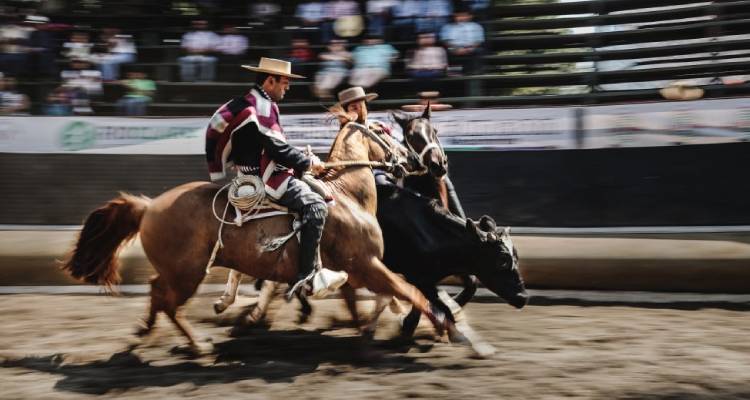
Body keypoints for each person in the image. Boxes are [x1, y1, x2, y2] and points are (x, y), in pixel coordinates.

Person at [204, 57, 348, 299]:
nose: (287, 87)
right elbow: (277, 150)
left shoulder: (248, 102)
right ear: (270, 81)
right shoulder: (262, 106)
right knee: (316, 206)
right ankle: (307, 277)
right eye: (284, 82)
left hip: (250, 175)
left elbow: (273, 146)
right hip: (268, 179)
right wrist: (309, 162)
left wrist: (302, 157)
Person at [439, 10, 484, 74]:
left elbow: (479, 40)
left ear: (469, 16)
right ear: (454, 17)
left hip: (471, 47)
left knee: (479, 51)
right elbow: (445, 41)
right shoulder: (447, 27)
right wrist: (455, 49)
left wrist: (470, 48)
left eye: (464, 16)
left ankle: (474, 71)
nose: (461, 18)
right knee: (447, 51)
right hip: (454, 48)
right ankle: (454, 73)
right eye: (458, 16)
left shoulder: (476, 26)